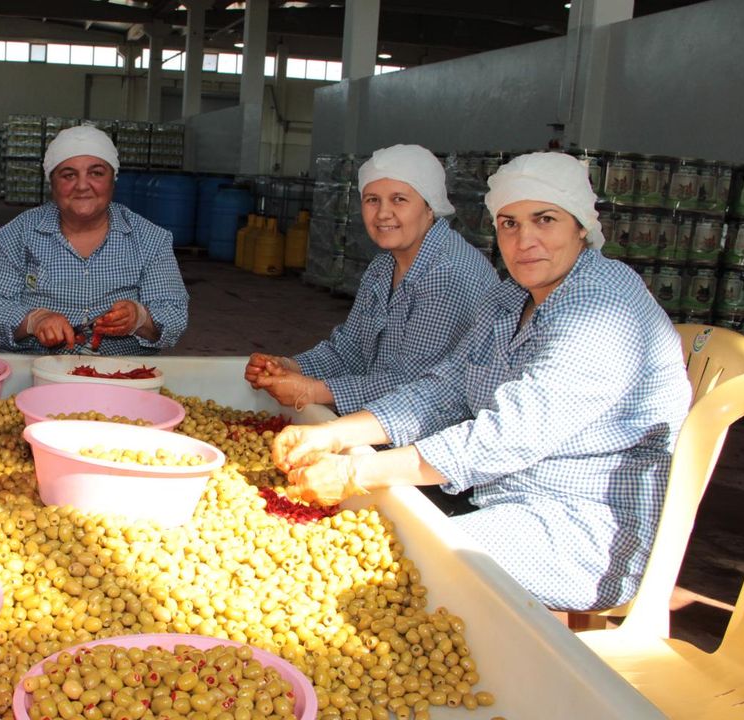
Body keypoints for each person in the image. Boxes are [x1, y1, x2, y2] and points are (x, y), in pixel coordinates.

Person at [271, 152, 691, 612]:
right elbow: (447, 388)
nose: (524, 240)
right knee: (372, 540)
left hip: (583, 528)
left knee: (399, 562)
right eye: (509, 223)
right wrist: (334, 433)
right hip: (505, 497)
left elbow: (507, 437)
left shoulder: (603, 307)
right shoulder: (512, 296)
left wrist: (355, 472)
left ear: (581, 227)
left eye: (545, 219)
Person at [245, 144, 497, 412]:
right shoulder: (382, 268)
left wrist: (313, 391)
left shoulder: (449, 274)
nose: (383, 213)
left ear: (430, 206)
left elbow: (415, 385)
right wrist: (289, 366)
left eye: (399, 199)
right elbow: (350, 350)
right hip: (383, 419)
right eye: (372, 200)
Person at [0, 125, 189, 355]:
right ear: (52, 182)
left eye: (96, 173)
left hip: (122, 369)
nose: (83, 186)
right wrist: (34, 320)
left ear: (113, 179)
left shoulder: (150, 238)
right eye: (69, 175)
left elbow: (175, 315)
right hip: (34, 366)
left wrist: (140, 318)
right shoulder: (16, 235)